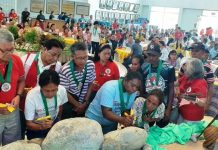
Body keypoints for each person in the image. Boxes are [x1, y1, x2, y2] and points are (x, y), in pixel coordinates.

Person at [20, 39, 64, 139]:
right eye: (53, 54)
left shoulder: (57, 66)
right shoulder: (27, 59)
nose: (55, 58)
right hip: (23, 104)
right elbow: (18, 80)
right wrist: (21, 91)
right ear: (44, 49)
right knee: (21, 130)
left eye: (58, 56)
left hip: (42, 109)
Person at [25, 70, 68, 140]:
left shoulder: (62, 90)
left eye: (54, 90)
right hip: (36, 127)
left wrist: (57, 121)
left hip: (54, 123)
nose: (50, 94)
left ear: (58, 86)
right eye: (47, 91)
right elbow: (28, 124)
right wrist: (41, 127)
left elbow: (60, 106)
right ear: (41, 87)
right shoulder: (32, 96)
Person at [0, 29, 25, 145]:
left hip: (12, 111)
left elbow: (21, 80)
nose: (9, 54)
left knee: (12, 144)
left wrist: (18, 95)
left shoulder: (16, 60)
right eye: (5, 51)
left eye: (12, 49)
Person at [59, 42, 96, 119]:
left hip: (84, 100)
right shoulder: (65, 70)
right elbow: (64, 92)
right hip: (70, 102)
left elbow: (91, 83)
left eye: (85, 57)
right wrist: (78, 105)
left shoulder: (90, 65)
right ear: (72, 57)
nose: (83, 61)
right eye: (79, 58)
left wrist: (85, 102)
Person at [143, 43, 176, 127]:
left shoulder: (169, 68)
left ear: (160, 55)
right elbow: (143, 88)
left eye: (154, 55)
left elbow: (172, 89)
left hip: (163, 105)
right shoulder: (144, 67)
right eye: (149, 55)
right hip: (149, 105)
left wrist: (168, 109)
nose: (151, 58)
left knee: (161, 127)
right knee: (148, 127)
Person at [177, 58, 208, 123]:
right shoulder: (186, 77)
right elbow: (175, 84)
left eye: (187, 66)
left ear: (194, 69)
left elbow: (202, 103)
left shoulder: (201, 82)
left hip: (192, 117)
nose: (184, 67)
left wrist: (187, 97)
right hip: (182, 112)